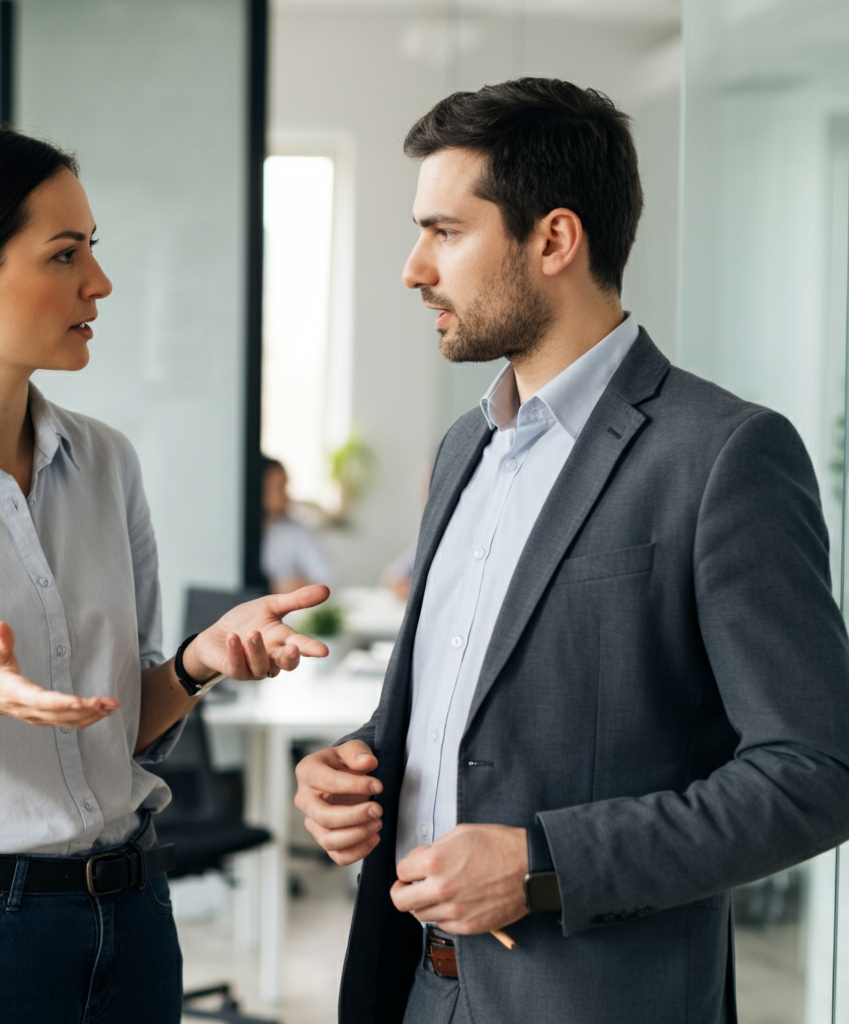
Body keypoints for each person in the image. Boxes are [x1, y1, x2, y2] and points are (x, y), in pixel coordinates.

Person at [293, 78, 849, 1024]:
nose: (413, 269)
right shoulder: (464, 446)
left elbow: (818, 769)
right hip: (412, 985)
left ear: (553, 239)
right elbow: (454, 711)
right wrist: (352, 767)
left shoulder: (723, 454)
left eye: (445, 232)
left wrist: (543, 866)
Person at [0, 123, 329, 1024]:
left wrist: (196, 665)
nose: (97, 282)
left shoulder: (106, 463)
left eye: (92, 249)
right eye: (64, 254)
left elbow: (112, 732)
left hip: (132, 919)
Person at [261, 455, 336, 593]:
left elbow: (328, 579)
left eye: (285, 487)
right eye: (278, 489)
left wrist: (282, 586)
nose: (287, 496)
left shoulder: (298, 531)